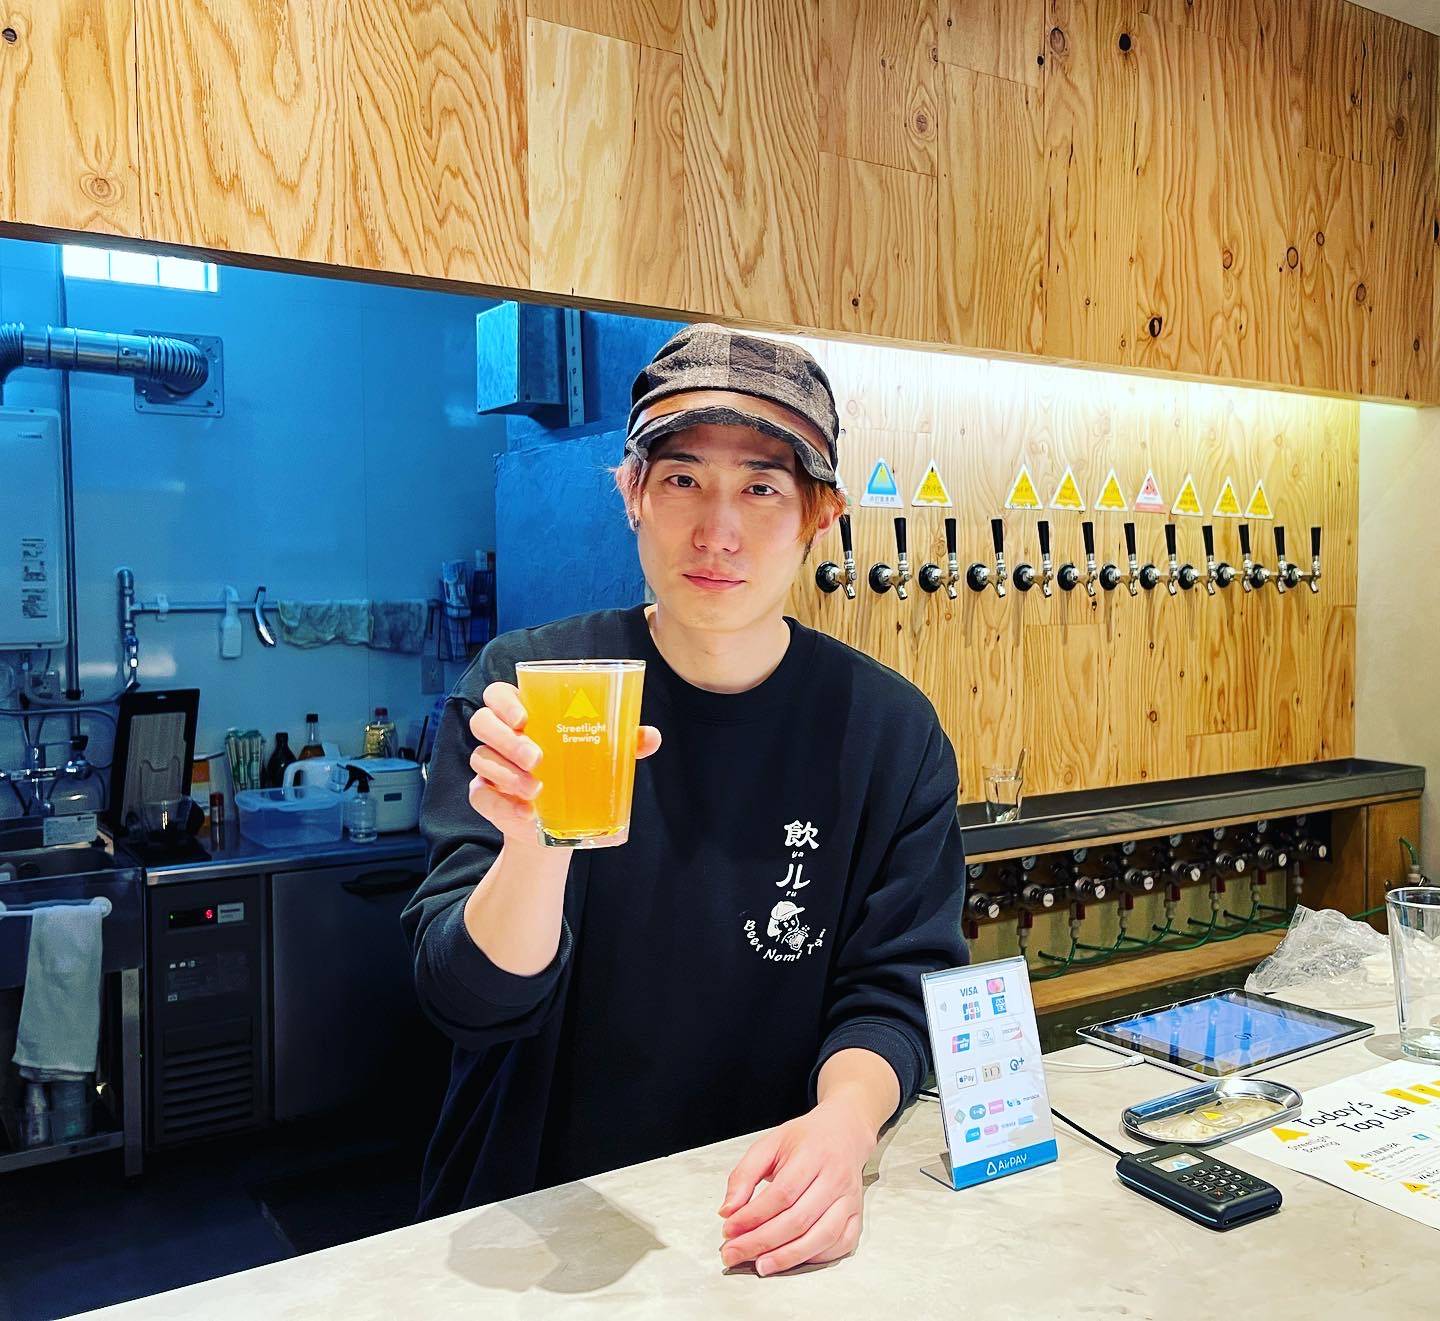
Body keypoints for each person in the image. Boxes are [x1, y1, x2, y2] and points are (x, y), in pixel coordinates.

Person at [404, 323, 967, 1275]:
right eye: (681, 479)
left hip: (759, 1219)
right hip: (532, 1221)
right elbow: (467, 1001)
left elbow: (896, 988)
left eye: (762, 487)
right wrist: (533, 847)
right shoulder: (530, 689)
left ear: (820, 514)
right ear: (631, 491)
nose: (717, 531)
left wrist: (844, 1127)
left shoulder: (887, 731)